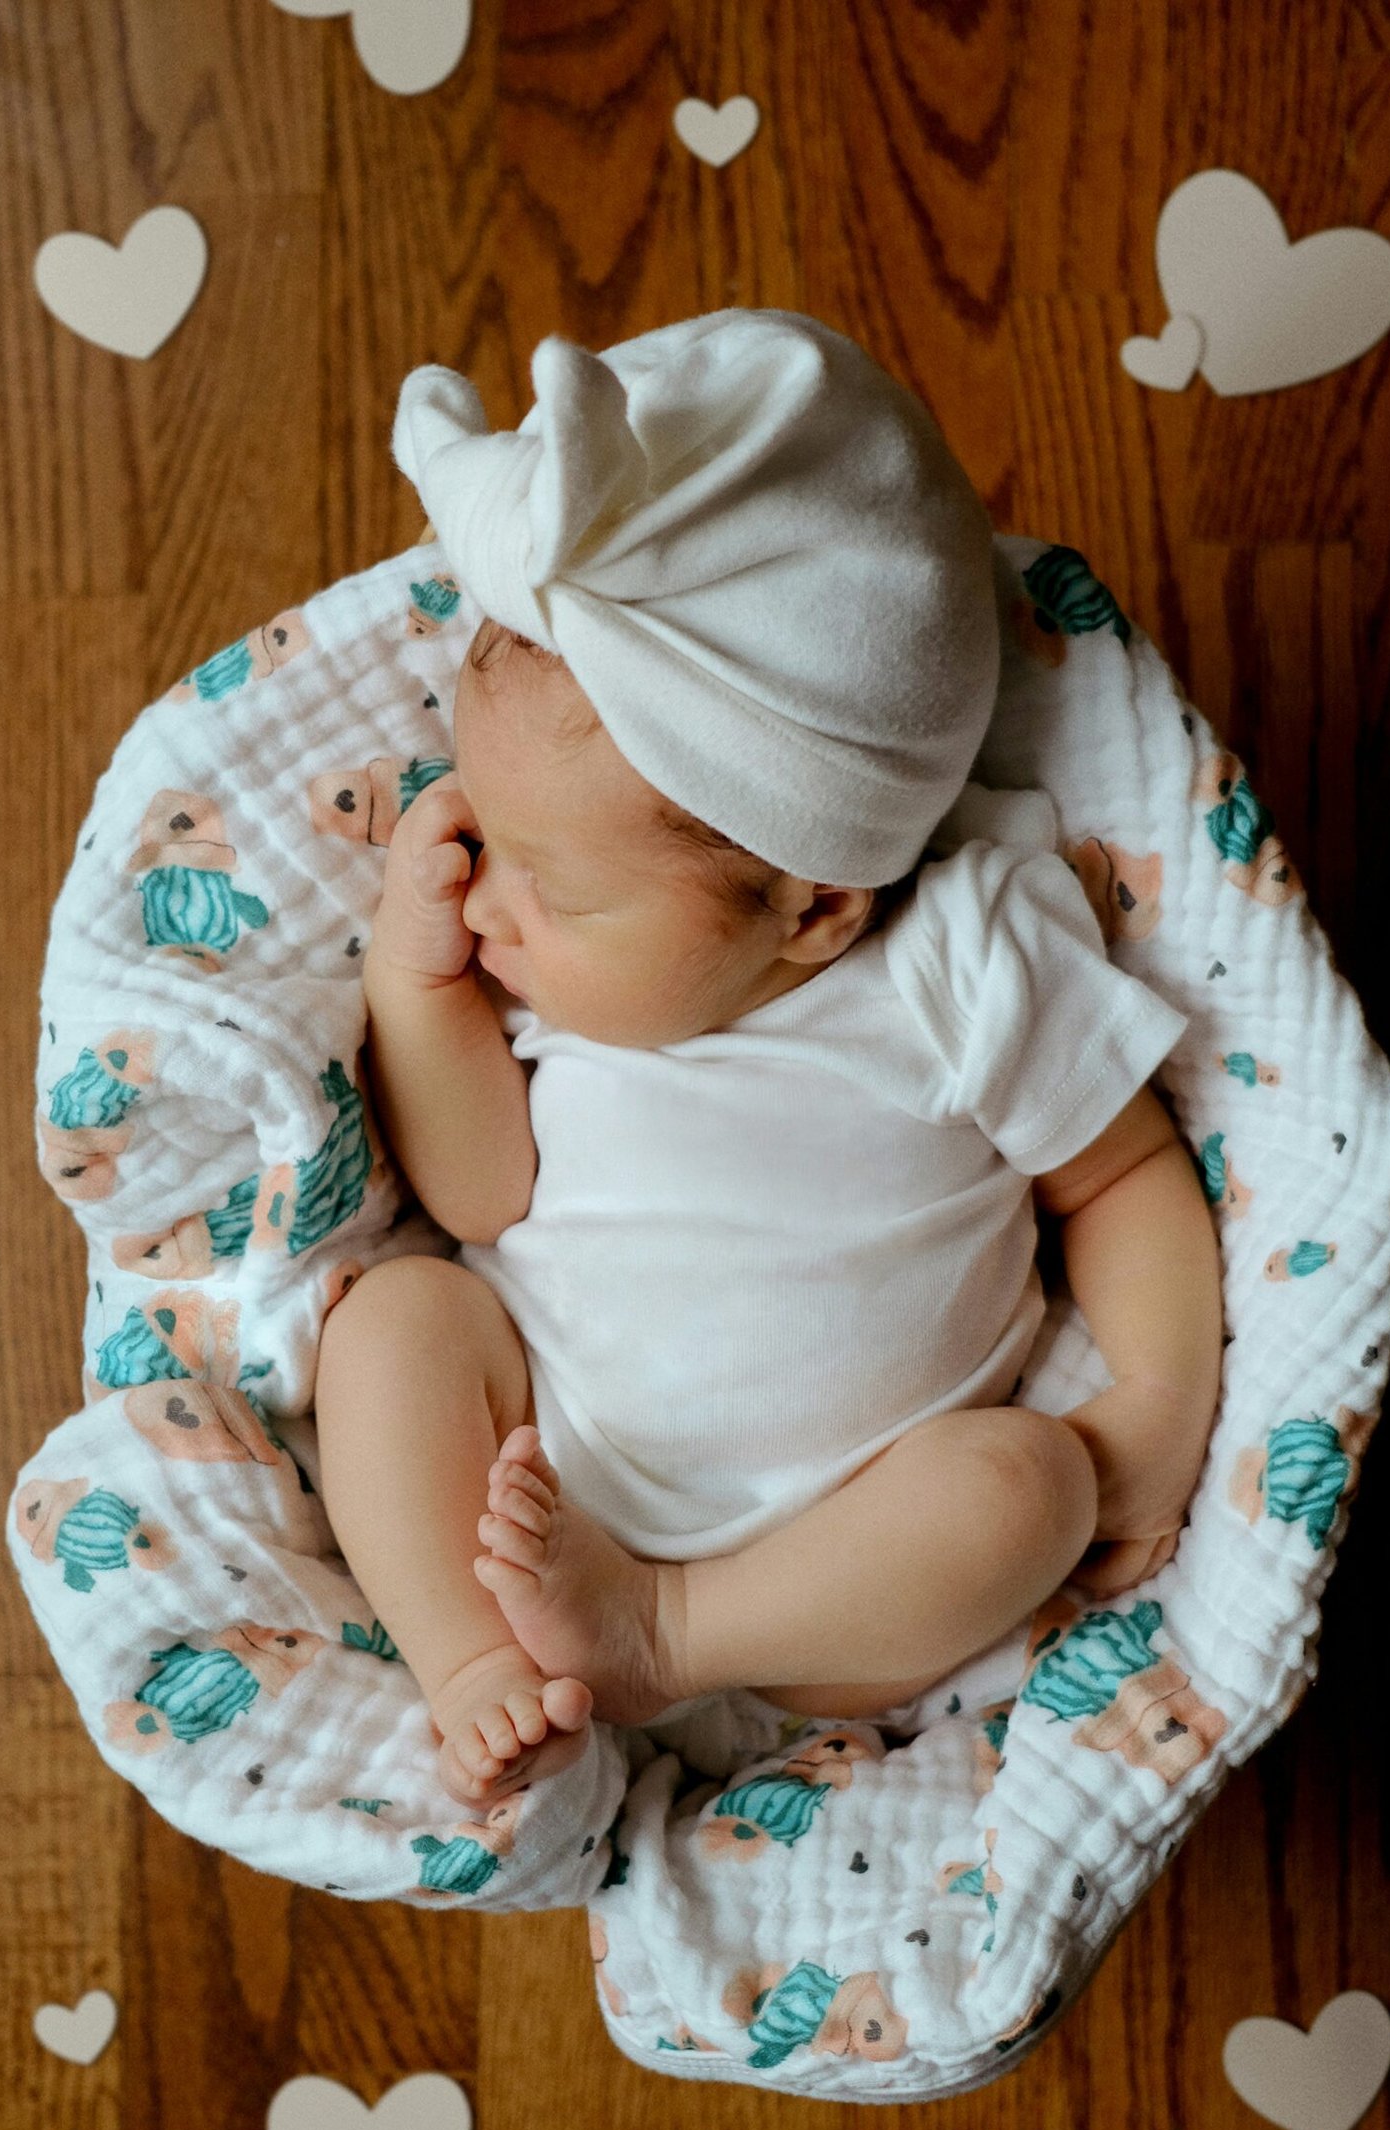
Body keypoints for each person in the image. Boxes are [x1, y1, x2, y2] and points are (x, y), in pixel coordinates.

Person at [313, 309, 1222, 1808]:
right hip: (544, 1478)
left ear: (814, 909)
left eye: (558, 886)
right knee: (396, 1323)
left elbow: (1120, 1175)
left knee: (1029, 1486)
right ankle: (473, 1662)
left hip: (848, 1567)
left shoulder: (963, 949)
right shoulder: (541, 982)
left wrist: (1166, 1403)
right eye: (485, 833)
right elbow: (477, 1197)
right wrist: (417, 989)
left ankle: (666, 1637)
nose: (486, 896)